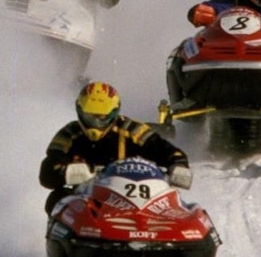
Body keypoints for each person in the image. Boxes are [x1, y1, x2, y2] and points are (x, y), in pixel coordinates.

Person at [39, 81, 191, 214]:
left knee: (175, 201)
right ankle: (70, 240)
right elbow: (49, 169)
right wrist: (64, 171)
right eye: (89, 117)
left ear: (114, 113)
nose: (96, 124)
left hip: (136, 197)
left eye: (102, 118)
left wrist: (178, 164)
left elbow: (168, 150)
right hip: (88, 198)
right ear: (79, 112)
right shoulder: (69, 133)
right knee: (55, 199)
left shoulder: (132, 130)